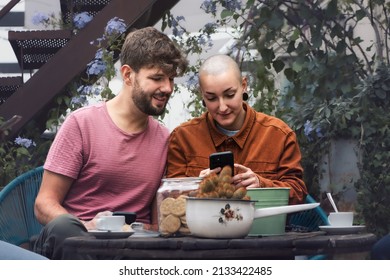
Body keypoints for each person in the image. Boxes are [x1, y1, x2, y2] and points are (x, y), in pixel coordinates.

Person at [33, 26, 188, 259]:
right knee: (63, 227)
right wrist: (86, 226)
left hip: (133, 251)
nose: (167, 88)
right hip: (78, 243)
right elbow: (44, 204)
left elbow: (161, 224)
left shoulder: (165, 139)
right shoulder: (82, 124)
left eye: (171, 79)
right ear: (127, 75)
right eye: (157, 78)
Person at [166, 54, 307, 204]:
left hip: (262, 226)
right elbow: (171, 200)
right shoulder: (183, 138)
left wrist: (261, 184)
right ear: (202, 94)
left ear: (244, 85)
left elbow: (298, 192)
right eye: (211, 98)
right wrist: (198, 186)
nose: (222, 107)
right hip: (203, 227)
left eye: (229, 95)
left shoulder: (278, 135)